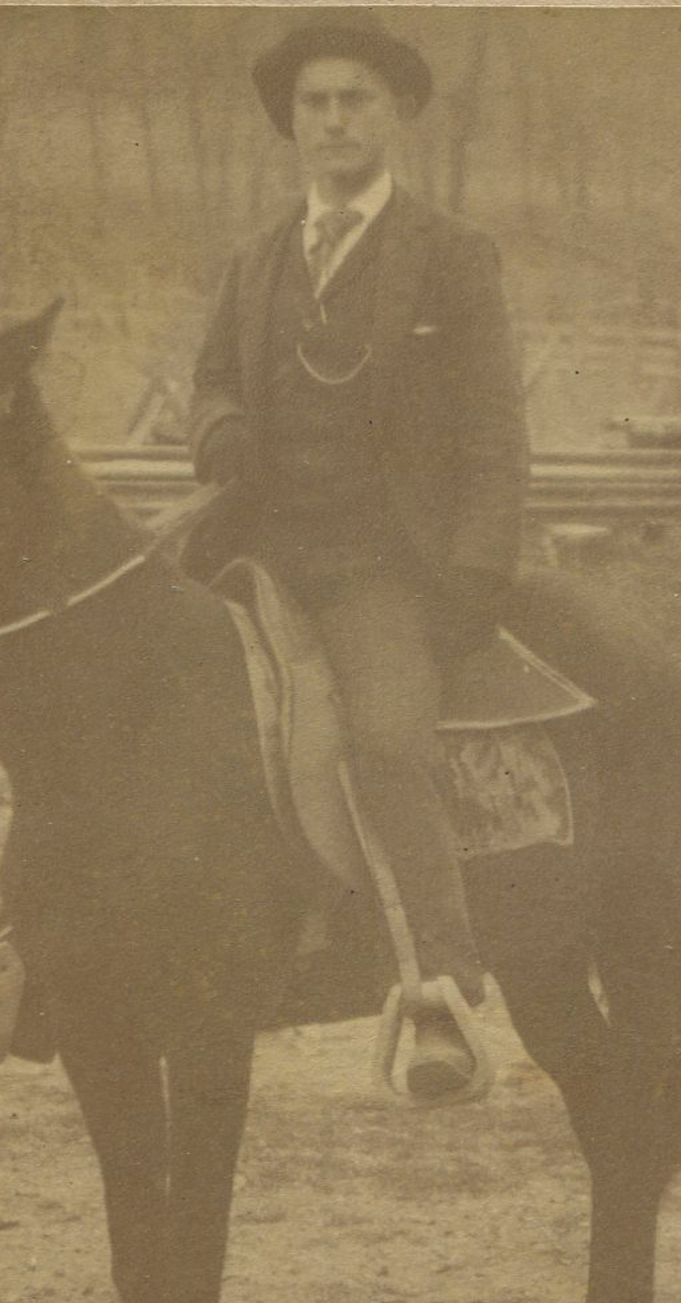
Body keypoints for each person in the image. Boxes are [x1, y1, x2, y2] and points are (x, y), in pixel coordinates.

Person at [187, 18, 528, 1100]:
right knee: (124, 692)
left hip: (381, 566)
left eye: (355, 100)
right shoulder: (256, 259)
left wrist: (475, 574)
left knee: (383, 743)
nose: (333, 119)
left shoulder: (450, 254)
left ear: (396, 116)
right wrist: (220, 432)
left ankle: (436, 992)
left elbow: (494, 429)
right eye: (315, 103)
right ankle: (33, 955)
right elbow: (211, 382)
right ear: (293, 122)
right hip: (256, 552)